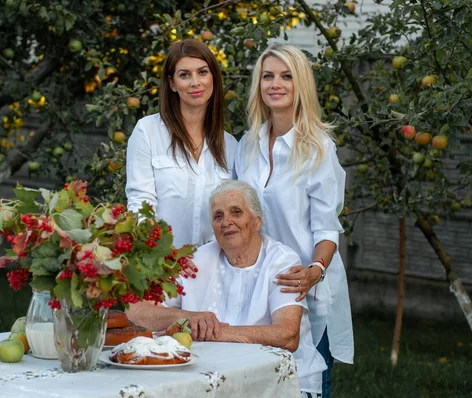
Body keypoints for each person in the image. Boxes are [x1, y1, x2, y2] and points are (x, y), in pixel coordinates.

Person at [128, 180, 326, 395]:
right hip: (207, 380)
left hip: (276, 380)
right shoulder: (196, 260)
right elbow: (135, 310)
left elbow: (287, 335)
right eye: (218, 216)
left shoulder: (282, 261)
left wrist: (214, 331)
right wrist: (185, 316)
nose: (226, 222)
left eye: (236, 212)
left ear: (257, 221)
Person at [234, 43, 354, 398]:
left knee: (307, 385)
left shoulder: (319, 147)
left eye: (286, 76)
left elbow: (327, 228)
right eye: (268, 76)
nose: (276, 84)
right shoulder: (247, 144)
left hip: (305, 284)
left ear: (300, 84)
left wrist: (314, 270)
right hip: (257, 286)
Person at [125, 39, 238, 265]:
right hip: (160, 268)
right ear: (173, 83)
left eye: (202, 72)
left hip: (213, 270)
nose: (195, 82)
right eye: (185, 75)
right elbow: (140, 202)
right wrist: (159, 254)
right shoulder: (148, 132)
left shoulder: (231, 146)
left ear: (213, 77)